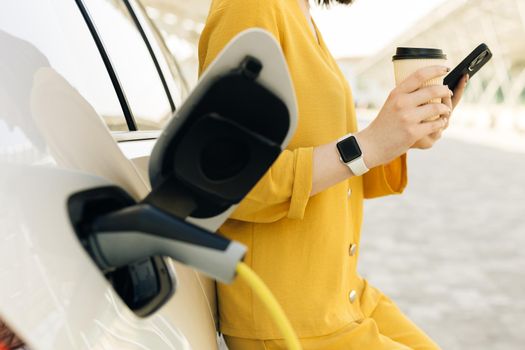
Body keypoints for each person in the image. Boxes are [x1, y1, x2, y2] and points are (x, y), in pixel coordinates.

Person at [198, 0, 468, 349]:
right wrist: (368, 144)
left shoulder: (299, 13)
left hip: (344, 294)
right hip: (290, 316)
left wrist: (402, 136)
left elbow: (332, 165)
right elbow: (228, 181)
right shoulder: (251, 7)